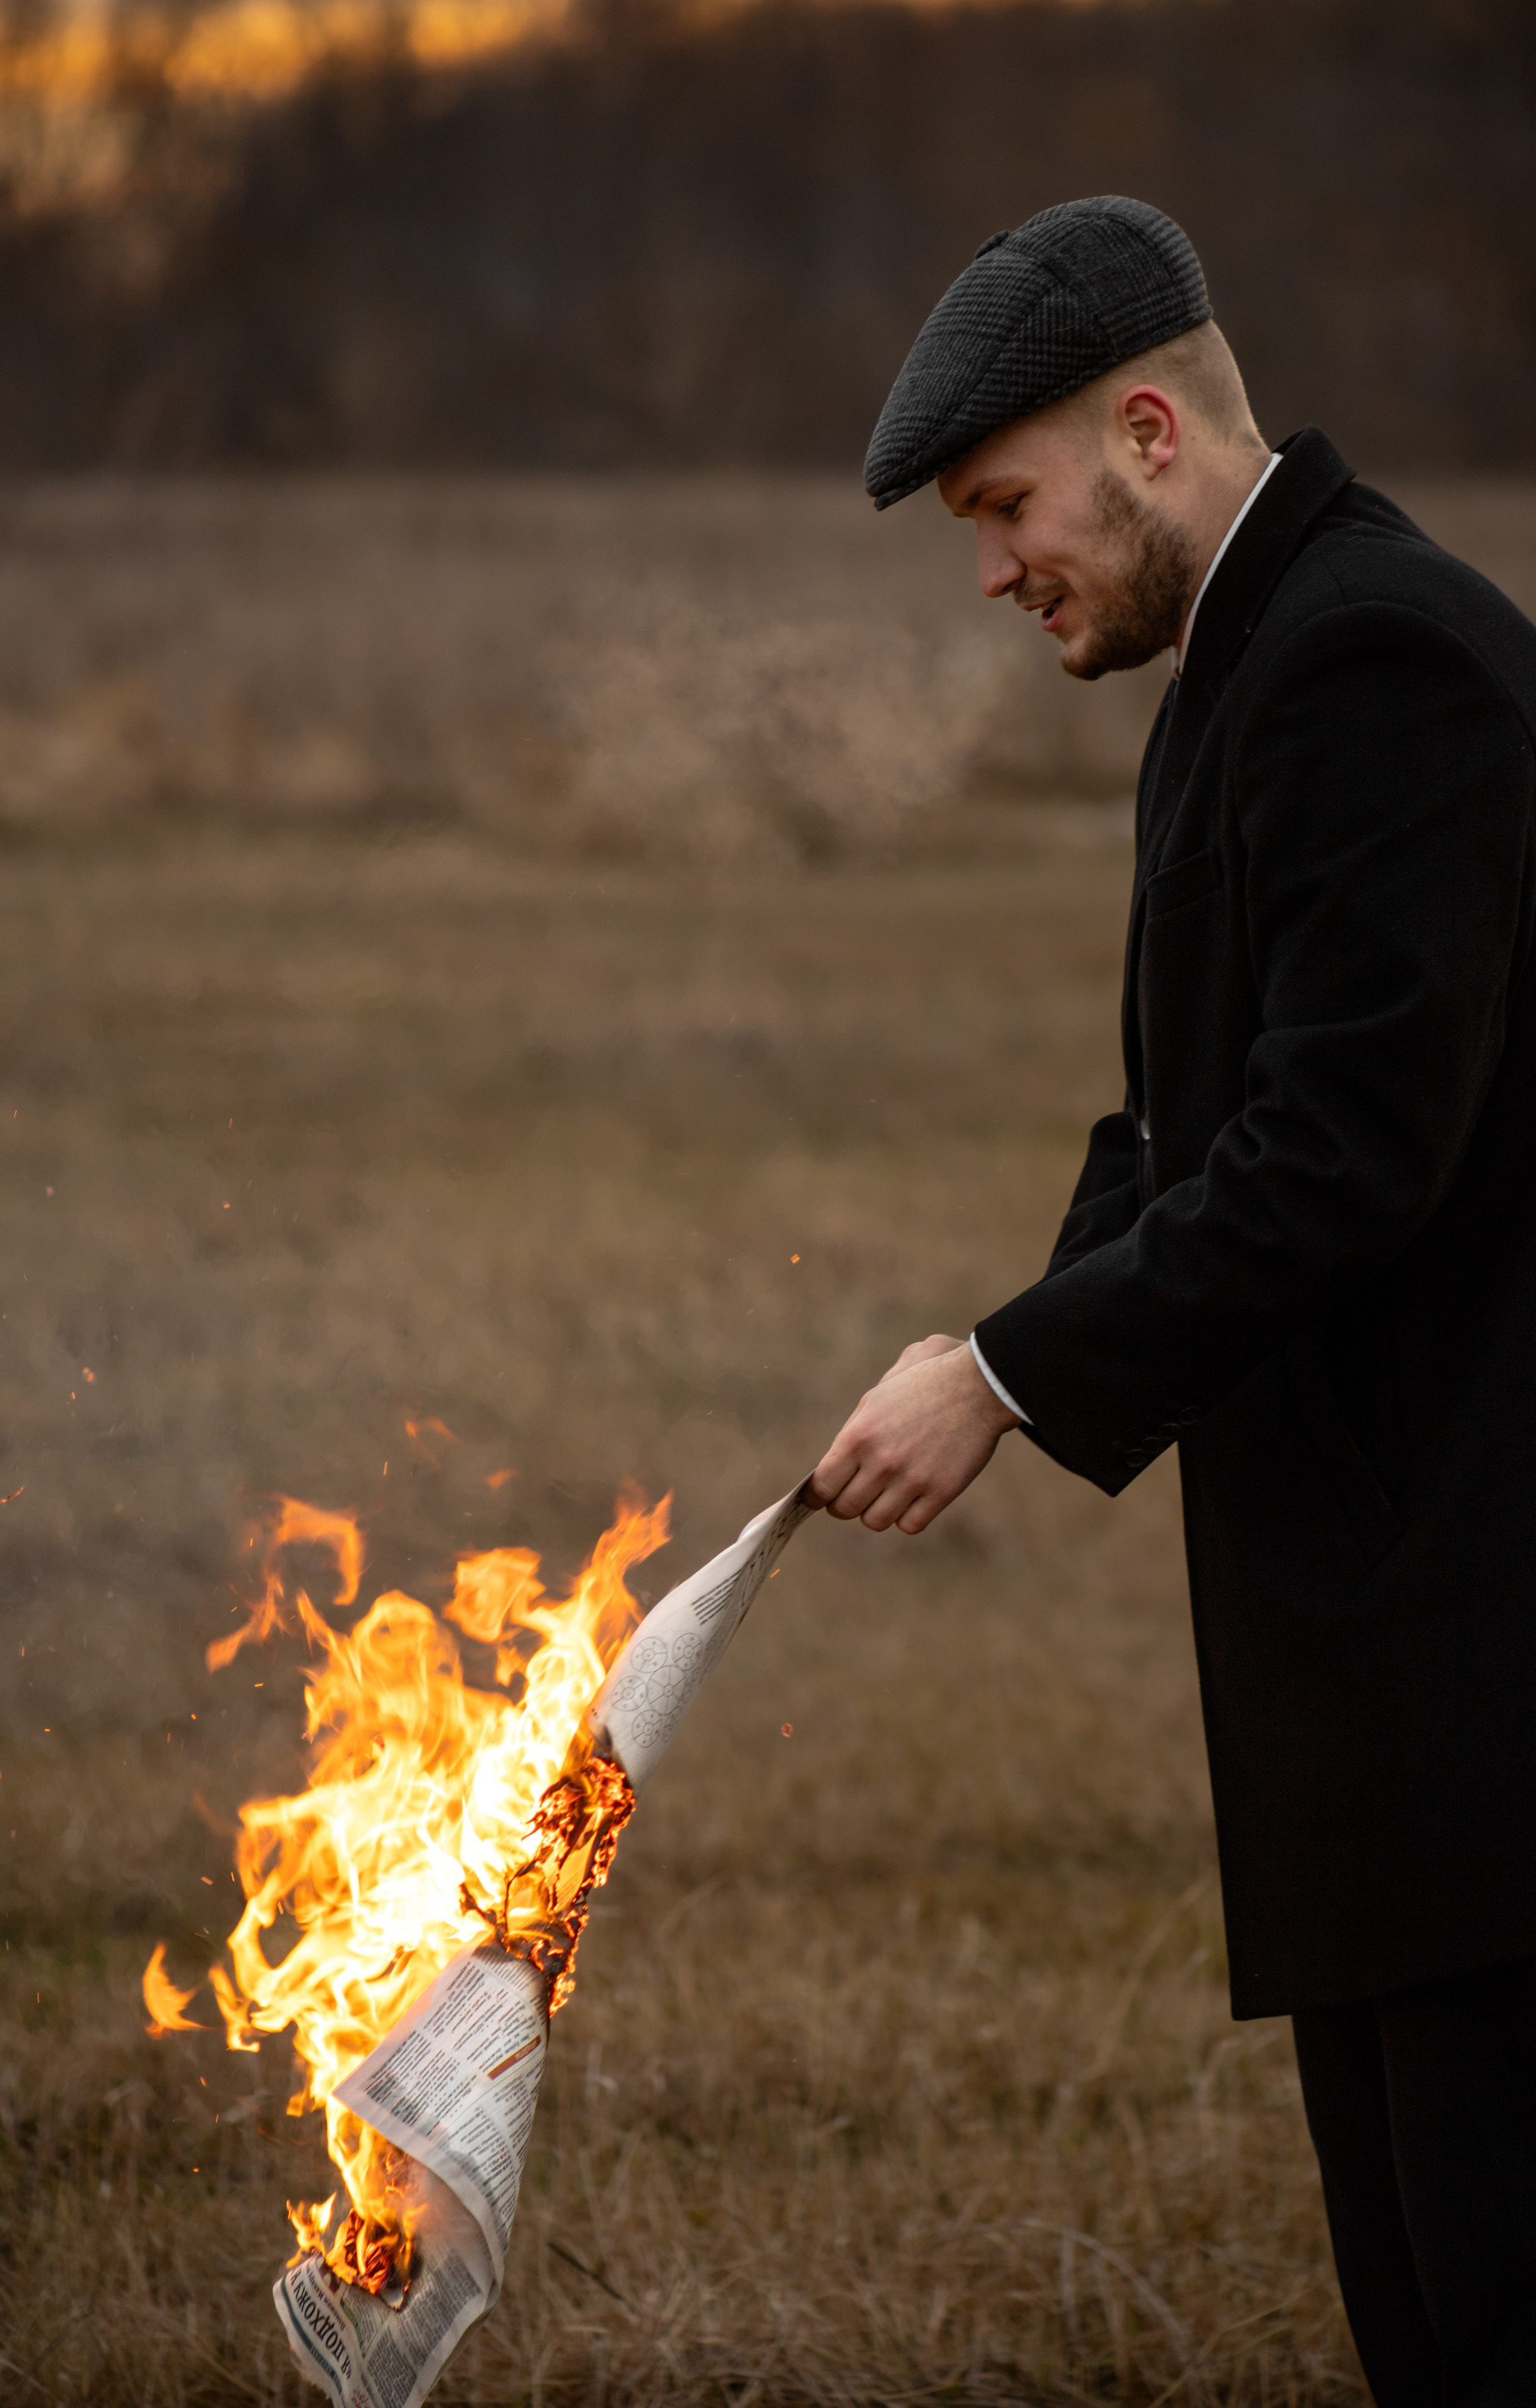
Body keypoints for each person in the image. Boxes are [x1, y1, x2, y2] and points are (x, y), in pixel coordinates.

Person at [807, 195, 1536, 2401]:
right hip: (1386, 1714)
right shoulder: (1243, 668)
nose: (998, 565)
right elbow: (1174, 1131)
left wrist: (1014, 1378)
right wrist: (981, 1351)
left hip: (1493, 1686)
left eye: (1008, 504)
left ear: (1147, 427)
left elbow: (1341, 1158)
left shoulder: (1374, 658)